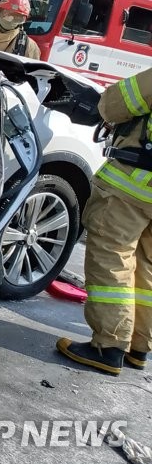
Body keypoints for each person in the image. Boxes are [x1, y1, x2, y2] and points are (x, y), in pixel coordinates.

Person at [57, 69, 152, 374]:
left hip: (135, 185)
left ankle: (109, 346)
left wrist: (99, 102)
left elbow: (117, 103)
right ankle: (138, 347)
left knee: (111, 256)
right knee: (145, 265)